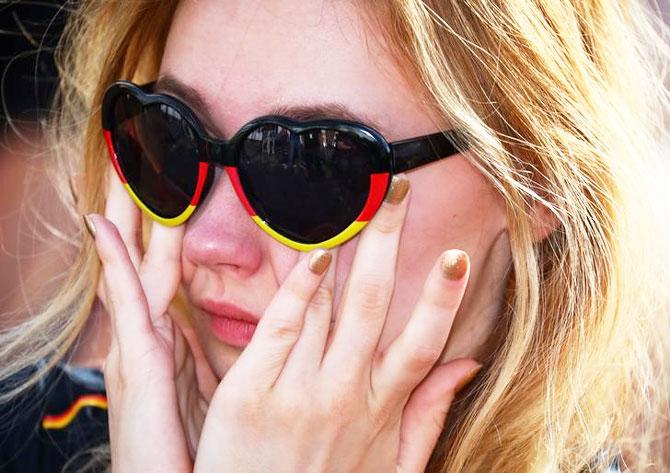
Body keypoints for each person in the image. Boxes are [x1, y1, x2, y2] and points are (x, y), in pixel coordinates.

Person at [1, 1, 669, 472]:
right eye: (170, 137)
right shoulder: (26, 434)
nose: (208, 241)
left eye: (309, 166)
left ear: (535, 182)